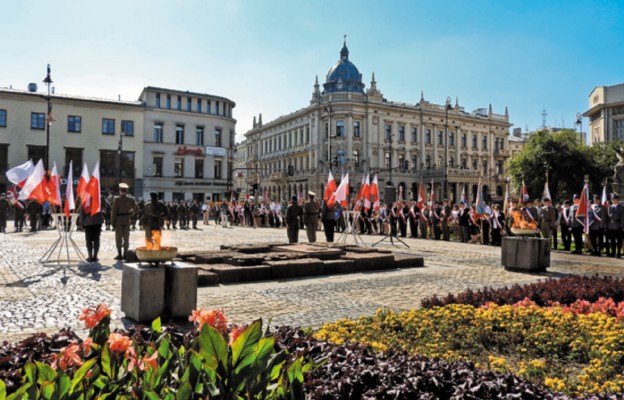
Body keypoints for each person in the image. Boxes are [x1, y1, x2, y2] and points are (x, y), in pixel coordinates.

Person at [111, 183, 138, 260]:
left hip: (119, 219)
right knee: (126, 237)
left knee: (118, 237)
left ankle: (119, 255)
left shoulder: (117, 199)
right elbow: (136, 208)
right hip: (127, 219)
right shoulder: (131, 199)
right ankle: (125, 254)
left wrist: (113, 223)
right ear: (126, 191)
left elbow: (113, 212)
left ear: (120, 191)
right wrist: (131, 213)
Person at [80, 195, 104, 263]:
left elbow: (82, 213)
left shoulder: (84, 201)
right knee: (97, 239)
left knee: (89, 240)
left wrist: (81, 224)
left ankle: (90, 257)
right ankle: (95, 256)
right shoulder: (98, 200)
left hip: (88, 222)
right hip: (97, 222)